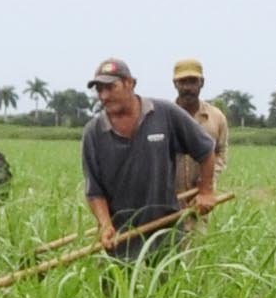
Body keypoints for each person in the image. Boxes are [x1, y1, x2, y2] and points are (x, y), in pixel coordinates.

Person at [78, 57, 220, 262]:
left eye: (110, 87)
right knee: (116, 291)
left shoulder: (164, 114)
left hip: (165, 225)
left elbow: (206, 149)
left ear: (130, 84)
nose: (104, 96)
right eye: (99, 89)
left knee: (170, 289)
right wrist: (105, 224)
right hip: (121, 232)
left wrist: (206, 190)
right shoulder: (94, 132)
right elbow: (95, 190)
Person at [168, 58, 229, 219]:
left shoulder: (216, 117)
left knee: (199, 241)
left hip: (201, 199)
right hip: (169, 200)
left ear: (201, 83)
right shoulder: (164, 117)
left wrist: (207, 185)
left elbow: (220, 152)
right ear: (175, 84)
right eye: (183, 82)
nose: (188, 87)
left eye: (192, 82)